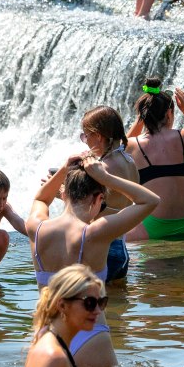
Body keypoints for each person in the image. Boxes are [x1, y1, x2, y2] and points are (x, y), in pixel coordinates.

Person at [27, 157, 158, 367]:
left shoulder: (37, 229)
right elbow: (150, 200)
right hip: (90, 334)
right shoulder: (96, 232)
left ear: (63, 194)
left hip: (48, 333)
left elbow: (41, 199)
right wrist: (105, 177)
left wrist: (64, 168)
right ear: (98, 198)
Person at [125, 79, 184, 240]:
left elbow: (116, 151)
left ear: (143, 116)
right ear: (169, 113)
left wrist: (139, 120)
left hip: (152, 226)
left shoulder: (133, 145)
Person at [78, 106, 139, 282]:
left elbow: (86, 212)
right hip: (121, 250)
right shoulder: (129, 161)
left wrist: (63, 195)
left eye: (85, 136)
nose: (85, 141)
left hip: (102, 251)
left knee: (93, 305)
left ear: (98, 136)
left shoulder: (102, 169)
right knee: (116, 305)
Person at [25, 264, 106, 367]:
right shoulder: (54, 357)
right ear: (62, 305)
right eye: (90, 303)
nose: (98, 311)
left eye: (101, 303)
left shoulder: (44, 337)